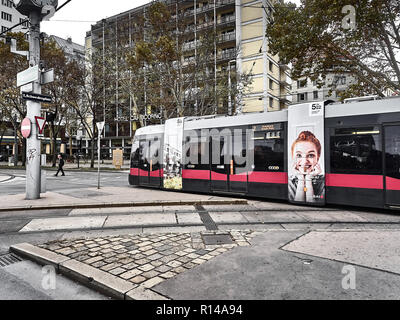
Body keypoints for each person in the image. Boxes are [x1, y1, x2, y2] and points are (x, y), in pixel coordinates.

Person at [289, 131, 324, 203]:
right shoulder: (289, 182)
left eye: (310, 155)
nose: (304, 161)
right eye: (299, 155)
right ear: (293, 157)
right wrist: (301, 179)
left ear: (317, 157)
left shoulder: (324, 183)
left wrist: (309, 178)